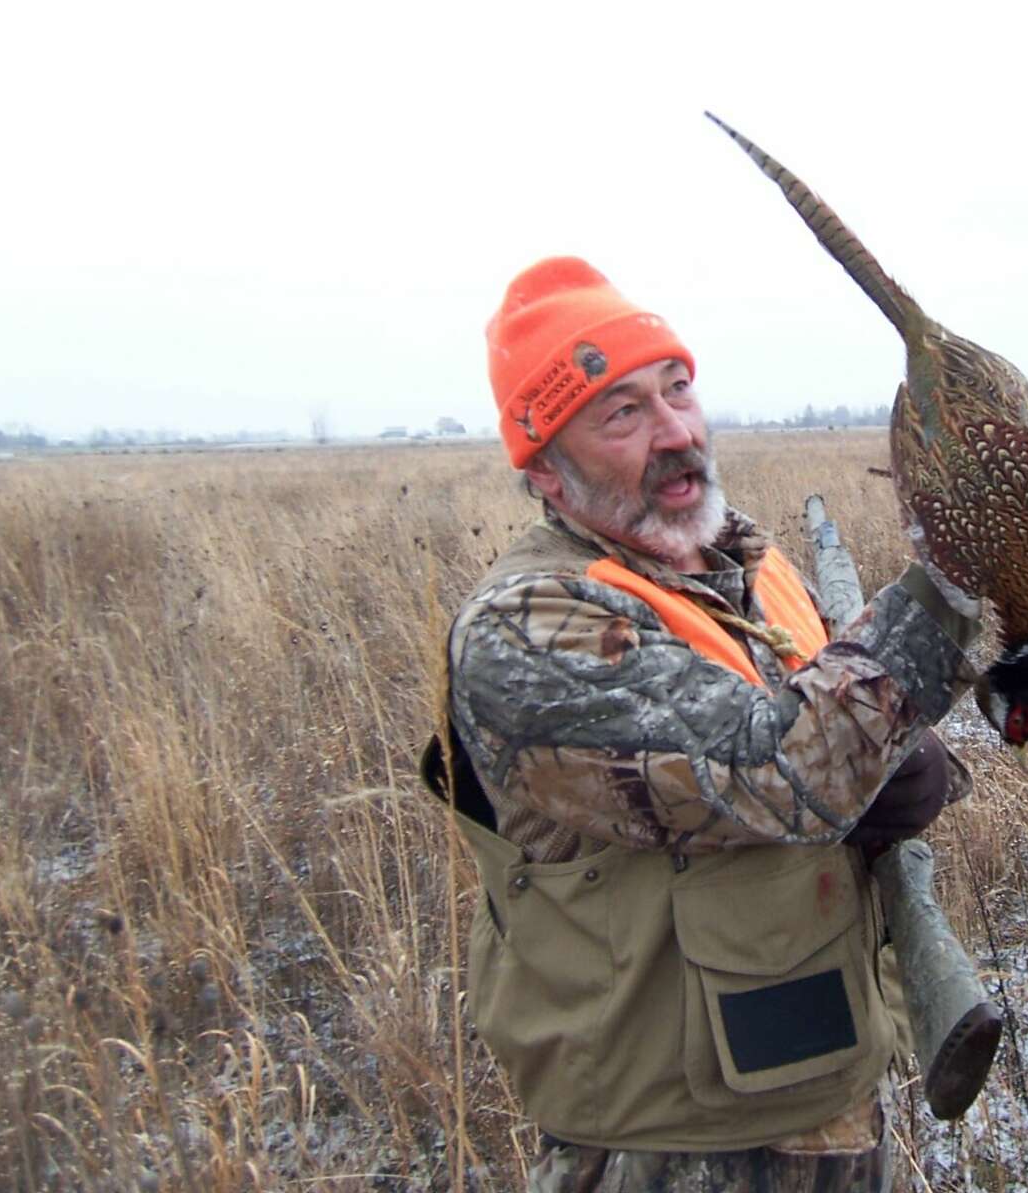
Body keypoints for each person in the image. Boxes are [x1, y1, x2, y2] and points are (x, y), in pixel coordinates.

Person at [422, 257, 985, 1193]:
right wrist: (964, 569)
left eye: (677, 389)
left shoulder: (743, 566)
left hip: (828, 1085)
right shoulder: (525, 630)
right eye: (622, 413)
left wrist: (908, 759)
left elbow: (834, 721)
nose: (677, 431)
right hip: (674, 1146)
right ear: (548, 472)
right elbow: (777, 767)